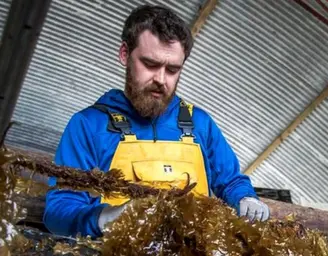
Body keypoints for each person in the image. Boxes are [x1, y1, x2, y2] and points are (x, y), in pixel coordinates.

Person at [43, 5, 269, 239]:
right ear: (124, 54)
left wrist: (245, 199)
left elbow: (231, 181)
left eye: (172, 70)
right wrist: (105, 218)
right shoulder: (89, 125)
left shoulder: (199, 124)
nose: (161, 79)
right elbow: (59, 210)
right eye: (150, 65)